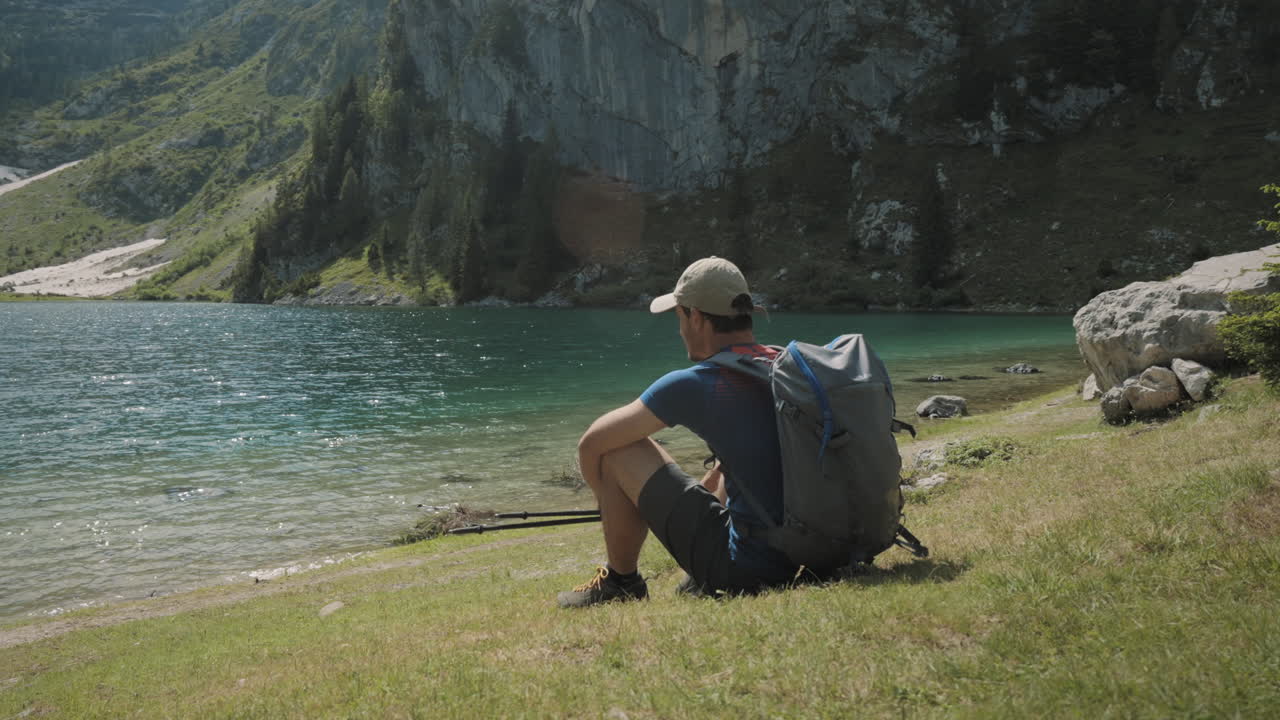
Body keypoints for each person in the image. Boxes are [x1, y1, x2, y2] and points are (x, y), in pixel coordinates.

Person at [558, 256, 797, 608]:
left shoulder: (695, 384)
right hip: (819, 550)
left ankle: (621, 582)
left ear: (696, 317)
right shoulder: (781, 366)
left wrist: (615, 501)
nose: (679, 327)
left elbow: (591, 444)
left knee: (616, 448)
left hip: (749, 570)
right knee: (721, 469)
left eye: (678, 316)